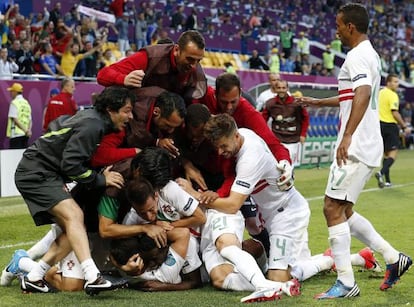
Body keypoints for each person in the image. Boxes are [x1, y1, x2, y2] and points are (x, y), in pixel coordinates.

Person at [299, 3, 412, 299]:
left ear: (350, 26)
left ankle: (347, 283)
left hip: (357, 143)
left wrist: (347, 136)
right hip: (365, 142)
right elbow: (353, 95)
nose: (335, 29)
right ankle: (392, 257)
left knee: (331, 208)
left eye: (338, 24)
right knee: (344, 211)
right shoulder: (369, 54)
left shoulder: (357, 55)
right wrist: (320, 102)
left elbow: (362, 94)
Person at [13, 86, 135, 295]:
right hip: (37, 172)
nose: (130, 116)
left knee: (74, 227)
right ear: (110, 109)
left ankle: (32, 276)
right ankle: (93, 277)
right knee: (75, 216)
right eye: (126, 110)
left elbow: (61, 141)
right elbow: (71, 165)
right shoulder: (93, 124)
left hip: (42, 171)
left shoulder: (94, 120)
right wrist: (100, 179)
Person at [178, 114, 303, 303]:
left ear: (235, 136)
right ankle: (283, 276)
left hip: (286, 214)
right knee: (222, 278)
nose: (220, 152)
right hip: (268, 213)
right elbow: (231, 178)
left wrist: (196, 195)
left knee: (274, 273)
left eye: (223, 146)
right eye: (217, 147)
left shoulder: (250, 158)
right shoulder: (240, 137)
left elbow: (233, 205)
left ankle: (271, 284)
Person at [97, 30, 207, 103]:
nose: (194, 66)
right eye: (190, 59)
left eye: (198, 61)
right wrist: (124, 79)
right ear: (177, 50)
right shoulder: (150, 57)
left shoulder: (196, 70)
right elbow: (102, 75)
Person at [262, 80, 309, 167]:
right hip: (277, 139)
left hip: (293, 140)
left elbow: (305, 118)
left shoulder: (296, 103)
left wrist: (303, 134)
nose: (281, 90)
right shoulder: (270, 103)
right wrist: (264, 135)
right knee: (276, 165)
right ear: (275, 89)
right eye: (279, 88)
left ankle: (290, 179)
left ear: (287, 89)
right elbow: (262, 120)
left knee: (289, 166)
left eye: (283, 88)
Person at [376, 74, 411, 188]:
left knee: (386, 154)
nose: (397, 84)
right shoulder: (392, 95)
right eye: (395, 82)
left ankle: (387, 181)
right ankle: (380, 173)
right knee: (393, 154)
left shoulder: (380, 92)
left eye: (398, 82)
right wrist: (404, 126)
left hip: (379, 125)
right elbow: (394, 112)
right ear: (388, 82)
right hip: (390, 125)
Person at [6, 82, 32, 149]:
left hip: (16, 134)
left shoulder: (14, 103)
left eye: (12, 91)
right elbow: (30, 120)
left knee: (14, 157)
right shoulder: (26, 103)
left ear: (15, 92)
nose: (11, 93)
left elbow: (15, 120)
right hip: (25, 135)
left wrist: (26, 131)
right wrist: (28, 130)